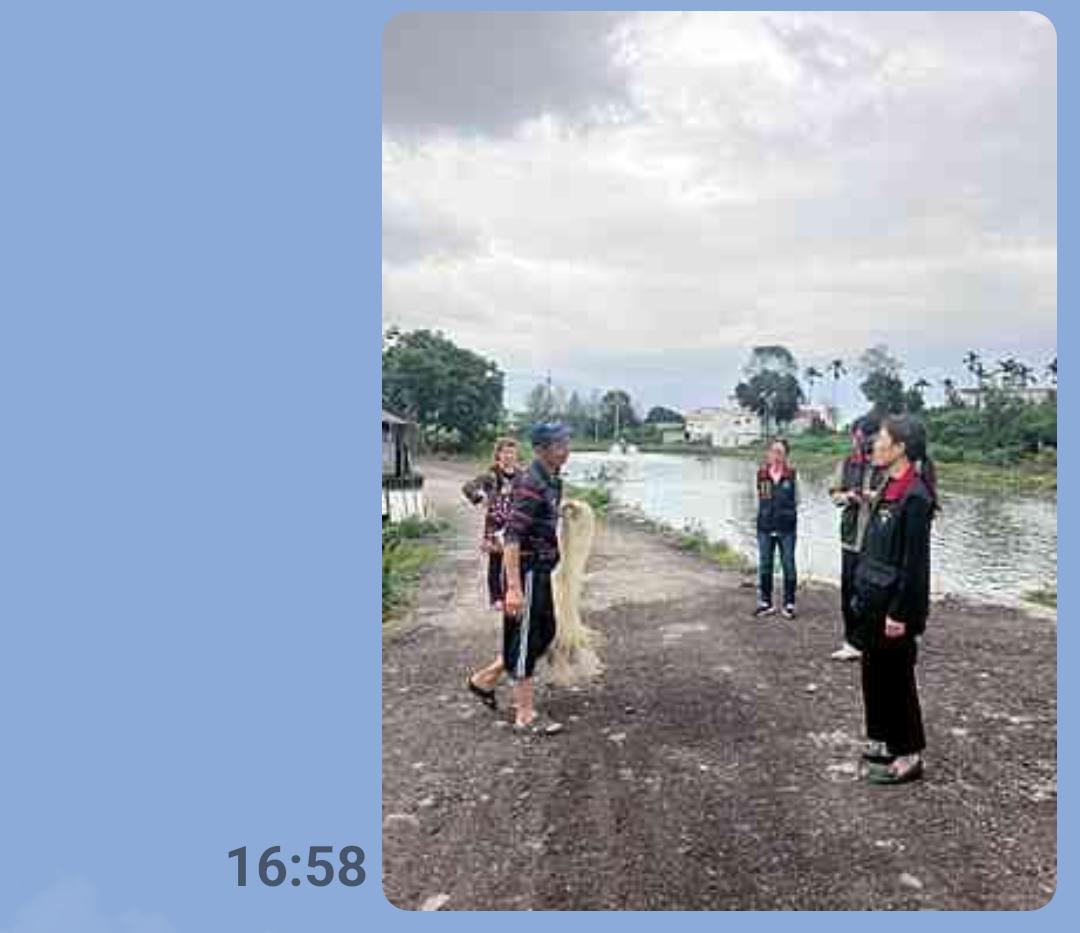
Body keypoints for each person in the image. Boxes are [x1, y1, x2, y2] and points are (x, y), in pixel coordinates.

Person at [850, 415, 938, 785]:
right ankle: (884, 739)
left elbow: (914, 566)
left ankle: (909, 753)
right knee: (874, 673)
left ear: (900, 447)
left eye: (882, 438)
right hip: (873, 596)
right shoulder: (887, 484)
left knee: (897, 678)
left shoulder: (915, 496)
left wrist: (900, 612)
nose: (874, 443)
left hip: (896, 606)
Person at [501, 422, 572, 733]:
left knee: (544, 633)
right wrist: (514, 588)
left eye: (567, 443)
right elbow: (512, 537)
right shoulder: (531, 482)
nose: (566, 450)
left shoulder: (552, 480)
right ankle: (525, 714)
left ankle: (485, 680)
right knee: (527, 641)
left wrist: (563, 510)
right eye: (559, 445)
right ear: (541, 449)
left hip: (542, 572)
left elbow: (543, 514)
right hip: (527, 572)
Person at [464, 438, 521, 710]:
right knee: (497, 565)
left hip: (515, 530)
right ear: (498, 455)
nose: (509, 456)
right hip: (496, 530)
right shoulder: (490, 476)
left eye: (512, 452)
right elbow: (468, 488)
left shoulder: (521, 476)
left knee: (513, 565)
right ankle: (496, 596)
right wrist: (481, 498)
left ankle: (509, 594)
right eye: (505, 452)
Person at [827, 417, 882, 661]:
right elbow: (834, 494)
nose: (858, 442)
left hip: (877, 542)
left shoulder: (886, 465)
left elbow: (896, 498)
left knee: (874, 594)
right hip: (851, 540)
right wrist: (848, 496)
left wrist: (873, 497)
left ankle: (872, 641)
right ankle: (851, 642)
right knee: (849, 592)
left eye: (862, 437)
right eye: (856, 437)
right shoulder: (847, 463)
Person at [754, 438, 799, 619]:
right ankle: (766, 603)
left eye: (780, 452)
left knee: (788, 564)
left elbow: (798, 501)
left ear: (786, 455)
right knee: (765, 564)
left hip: (787, 529)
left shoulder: (793, 476)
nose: (776, 456)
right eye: (773, 451)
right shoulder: (761, 475)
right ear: (768, 454)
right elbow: (758, 499)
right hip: (765, 528)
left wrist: (786, 515)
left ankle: (789, 604)